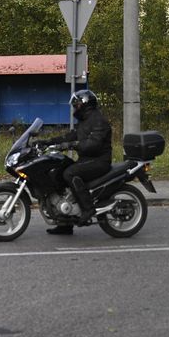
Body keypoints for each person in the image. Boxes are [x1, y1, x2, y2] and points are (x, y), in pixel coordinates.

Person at [36, 89, 112, 235]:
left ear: (86, 104)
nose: (75, 108)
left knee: (70, 173)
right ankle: (65, 223)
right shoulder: (84, 121)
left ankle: (88, 209)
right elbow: (69, 137)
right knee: (58, 173)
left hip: (99, 161)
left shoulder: (99, 120)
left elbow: (93, 144)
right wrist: (46, 142)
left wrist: (72, 145)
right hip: (86, 160)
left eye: (76, 104)